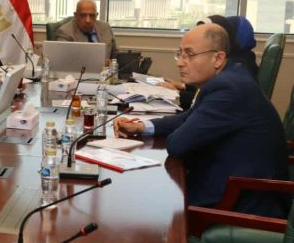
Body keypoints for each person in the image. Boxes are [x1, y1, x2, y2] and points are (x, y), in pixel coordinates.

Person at [114, 24, 288, 218]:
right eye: (180, 54)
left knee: (134, 205)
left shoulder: (228, 89)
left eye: (189, 54)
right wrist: (142, 126)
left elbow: (177, 144)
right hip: (232, 185)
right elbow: (191, 116)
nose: (180, 63)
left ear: (218, 58)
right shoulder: (230, 77)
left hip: (241, 204)